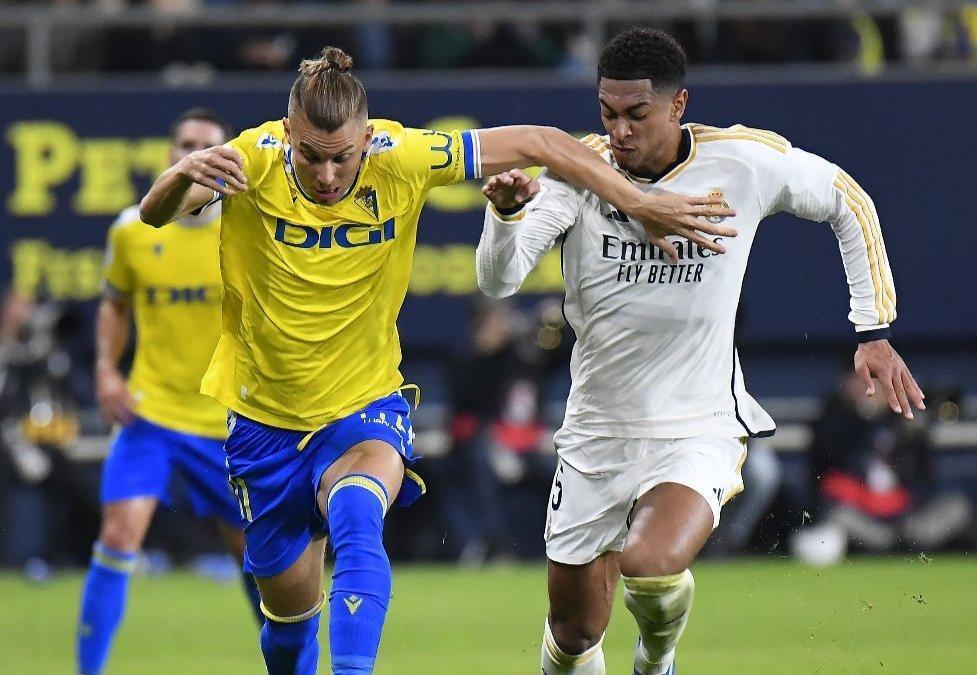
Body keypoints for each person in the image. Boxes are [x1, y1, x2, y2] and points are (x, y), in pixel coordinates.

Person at [137, 45, 734, 674]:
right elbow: (155, 216)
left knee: (359, 518)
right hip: (264, 422)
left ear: (367, 138)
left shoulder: (405, 157)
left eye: (344, 156)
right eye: (312, 156)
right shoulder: (252, 160)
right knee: (287, 625)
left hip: (362, 404)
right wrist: (182, 175)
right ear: (288, 135)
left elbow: (549, 143)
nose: (329, 175)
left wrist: (641, 204)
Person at [475, 27, 926, 675]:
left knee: (650, 567)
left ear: (677, 105)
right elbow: (499, 280)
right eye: (607, 113)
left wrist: (871, 329)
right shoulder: (579, 172)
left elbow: (846, 201)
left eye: (637, 114)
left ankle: (655, 659)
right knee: (573, 632)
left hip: (697, 424)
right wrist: (506, 217)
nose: (619, 131)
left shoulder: (741, 162)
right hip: (595, 432)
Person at [76, 108, 262, 675]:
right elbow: (114, 304)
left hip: (227, 424)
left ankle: (288, 663)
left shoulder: (245, 228)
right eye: (187, 145)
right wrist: (107, 370)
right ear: (169, 156)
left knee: (259, 563)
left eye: (208, 146)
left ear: (225, 160)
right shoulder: (131, 230)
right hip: (151, 415)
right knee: (117, 534)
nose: (197, 155)